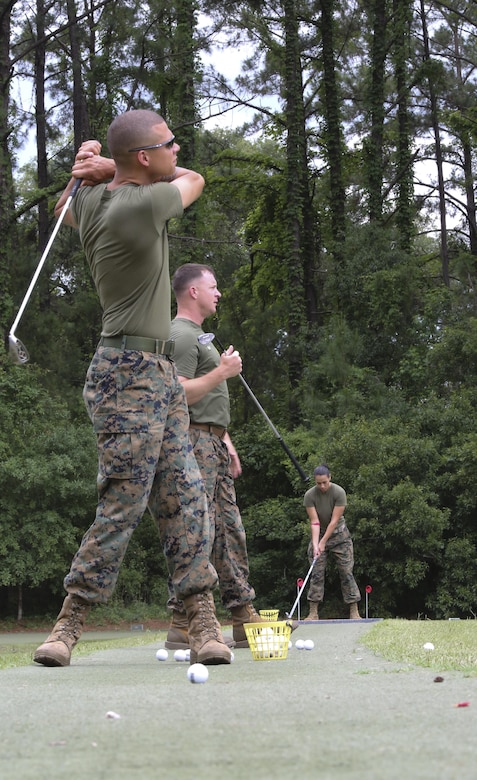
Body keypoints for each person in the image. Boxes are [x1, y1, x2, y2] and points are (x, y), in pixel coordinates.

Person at [33, 109, 231, 667]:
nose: (176, 150)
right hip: (127, 375)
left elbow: (63, 207)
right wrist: (101, 169)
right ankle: (68, 624)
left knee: (187, 499)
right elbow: (193, 178)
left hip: (160, 374)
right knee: (124, 499)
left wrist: (87, 174)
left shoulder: (95, 202)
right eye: (168, 143)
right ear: (145, 159)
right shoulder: (138, 206)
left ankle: (202, 624)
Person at [153, 263, 263, 648]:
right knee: (197, 530)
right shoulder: (179, 335)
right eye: (213, 287)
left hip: (212, 442)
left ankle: (242, 615)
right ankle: (183, 622)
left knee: (228, 529)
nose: (219, 293)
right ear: (193, 292)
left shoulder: (200, 337)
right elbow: (175, 393)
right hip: (191, 443)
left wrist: (226, 440)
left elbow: (206, 399)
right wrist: (223, 373)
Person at [303, 464, 361, 620]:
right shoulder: (310, 496)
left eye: (324, 482)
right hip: (320, 534)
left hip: (340, 536)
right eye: (318, 483)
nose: (322, 486)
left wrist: (323, 542)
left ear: (330, 477)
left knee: (346, 572)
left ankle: (354, 611)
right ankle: (313, 612)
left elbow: (334, 521)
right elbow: (315, 522)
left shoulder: (339, 492)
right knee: (316, 572)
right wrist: (316, 544)